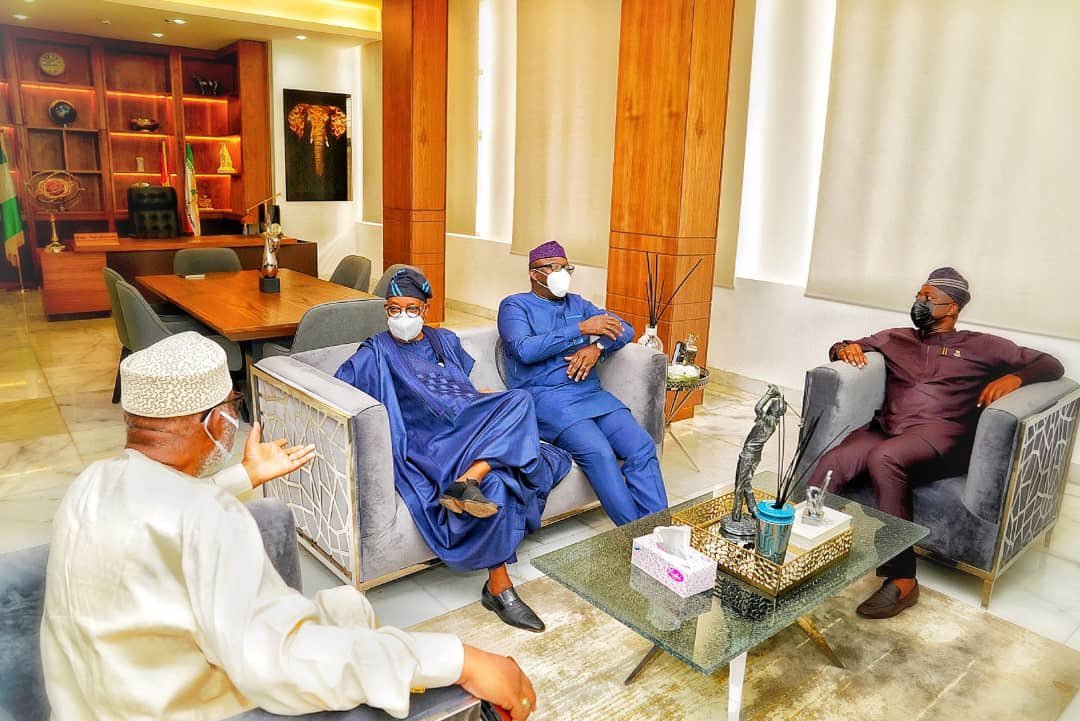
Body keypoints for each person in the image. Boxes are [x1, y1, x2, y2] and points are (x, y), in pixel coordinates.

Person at [42, 332, 537, 721]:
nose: (233, 419)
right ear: (212, 422)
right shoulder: (210, 519)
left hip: (93, 699)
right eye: (232, 406)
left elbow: (164, 513)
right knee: (355, 642)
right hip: (186, 707)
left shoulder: (93, 480)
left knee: (344, 605)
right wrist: (460, 659)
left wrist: (246, 475)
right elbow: (279, 660)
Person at [807, 267, 1064, 619]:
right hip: (889, 427)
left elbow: (1051, 364)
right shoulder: (896, 338)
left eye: (929, 298)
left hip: (943, 435)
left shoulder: (982, 345)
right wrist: (843, 347)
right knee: (832, 463)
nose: (919, 302)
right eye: (919, 296)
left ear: (952, 307)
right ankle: (802, 544)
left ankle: (902, 578)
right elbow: (843, 347)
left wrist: (1016, 378)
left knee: (885, 457)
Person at [335, 268, 571, 633]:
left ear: (425, 309)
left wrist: (483, 400)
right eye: (394, 309)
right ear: (386, 310)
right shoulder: (375, 352)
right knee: (516, 429)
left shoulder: (444, 340)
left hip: (466, 423)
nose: (402, 317)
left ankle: (472, 492)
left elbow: (459, 388)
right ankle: (475, 496)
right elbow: (337, 390)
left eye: (411, 309)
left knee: (512, 425)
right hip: (429, 441)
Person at [497, 240, 668, 526]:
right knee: (600, 453)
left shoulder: (577, 303)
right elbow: (524, 350)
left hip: (590, 393)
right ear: (533, 273)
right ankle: (636, 536)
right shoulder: (515, 305)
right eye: (553, 267)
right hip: (548, 400)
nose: (561, 273)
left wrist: (597, 348)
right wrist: (580, 329)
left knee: (641, 447)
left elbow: (625, 329)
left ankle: (658, 531)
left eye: (566, 267)